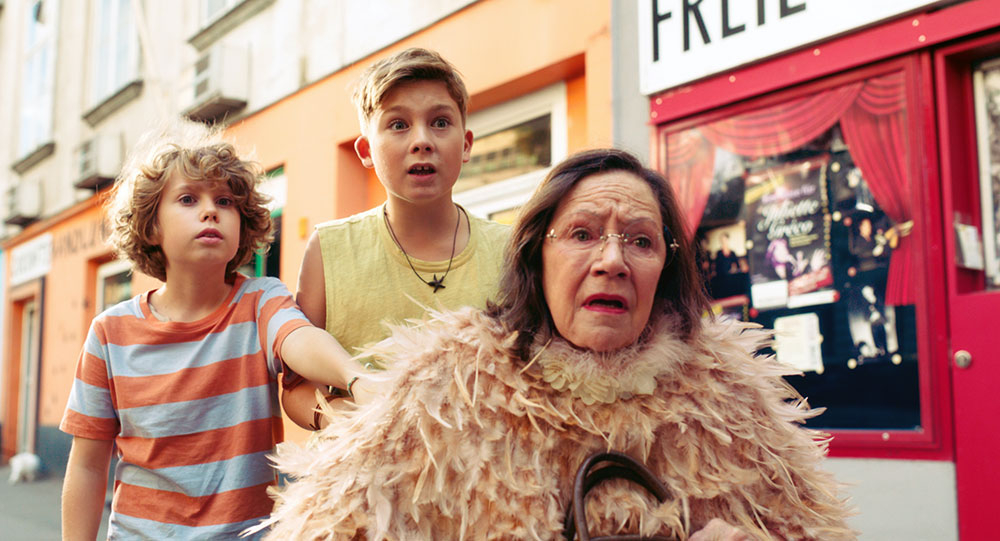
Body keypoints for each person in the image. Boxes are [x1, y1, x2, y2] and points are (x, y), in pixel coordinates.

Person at [254, 149, 854, 540]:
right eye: (583, 235)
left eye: (641, 241)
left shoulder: (731, 405)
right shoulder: (443, 393)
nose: (612, 260)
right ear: (536, 256)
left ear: (664, 271)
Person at [59, 124, 370, 540]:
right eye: (188, 199)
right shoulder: (109, 333)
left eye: (224, 201)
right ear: (151, 227)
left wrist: (357, 378)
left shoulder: (261, 301)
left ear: (243, 224)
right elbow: (86, 464)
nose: (211, 211)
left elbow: (300, 339)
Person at [281, 47, 509, 430]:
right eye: (398, 125)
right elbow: (297, 388)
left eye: (439, 122)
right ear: (366, 151)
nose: (421, 140)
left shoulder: (512, 249)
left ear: (466, 144)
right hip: (367, 479)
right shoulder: (329, 250)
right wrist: (341, 421)